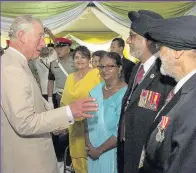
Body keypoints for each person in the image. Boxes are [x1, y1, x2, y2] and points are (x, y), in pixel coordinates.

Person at [1, 14, 98, 173]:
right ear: (21, 36)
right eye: (40, 37)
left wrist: (57, 123)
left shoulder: (17, 63)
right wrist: (68, 111)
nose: (43, 43)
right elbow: (24, 123)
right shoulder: (12, 69)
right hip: (27, 162)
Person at [134, 14, 196, 173]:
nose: (159, 54)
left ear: (177, 52)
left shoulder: (192, 101)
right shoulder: (185, 89)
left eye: (162, 47)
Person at [117, 10, 176, 173]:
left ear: (149, 40)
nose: (128, 40)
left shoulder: (166, 73)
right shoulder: (137, 68)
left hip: (148, 161)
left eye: (132, 36)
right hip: (128, 151)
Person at [61, 45, 102, 173]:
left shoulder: (97, 74)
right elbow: (64, 102)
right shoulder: (70, 77)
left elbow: (104, 96)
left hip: (93, 124)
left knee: (92, 158)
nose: (79, 60)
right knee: (77, 158)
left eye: (83, 57)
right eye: (76, 57)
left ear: (89, 59)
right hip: (74, 125)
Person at [85, 52, 127, 173]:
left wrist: (99, 150)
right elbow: (86, 121)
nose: (105, 70)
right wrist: (89, 146)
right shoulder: (95, 91)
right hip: (92, 151)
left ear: (119, 68)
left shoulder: (126, 94)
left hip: (112, 152)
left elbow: (121, 131)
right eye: (101, 66)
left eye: (110, 66)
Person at [48, 37, 77, 108]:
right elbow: (50, 81)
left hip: (75, 95)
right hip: (60, 96)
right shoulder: (53, 64)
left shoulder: (76, 62)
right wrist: (50, 99)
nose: (58, 50)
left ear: (68, 48)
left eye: (61, 48)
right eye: (56, 48)